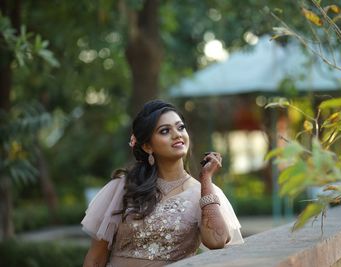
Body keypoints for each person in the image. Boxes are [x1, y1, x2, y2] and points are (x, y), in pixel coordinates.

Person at [82, 99, 243, 267]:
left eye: (180, 127)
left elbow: (217, 240)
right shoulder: (124, 187)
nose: (177, 134)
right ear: (147, 146)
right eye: (165, 131)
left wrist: (206, 179)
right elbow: (95, 259)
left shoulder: (203, 192)